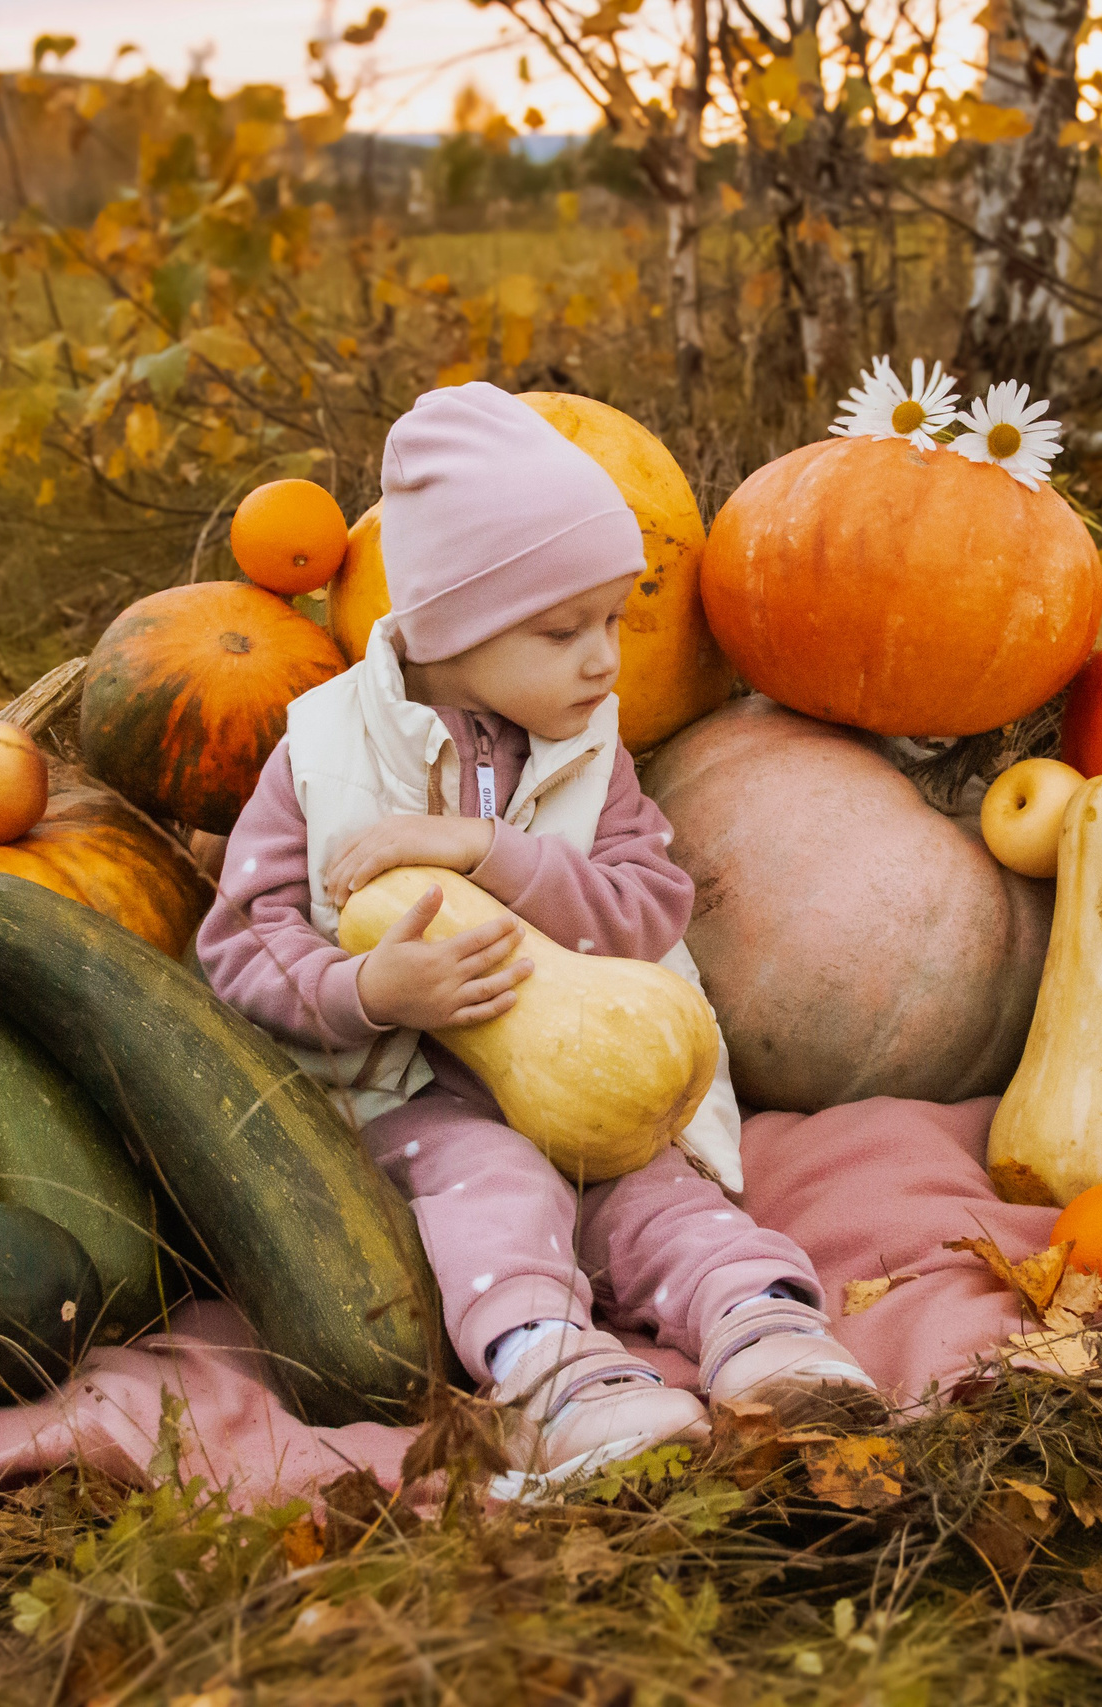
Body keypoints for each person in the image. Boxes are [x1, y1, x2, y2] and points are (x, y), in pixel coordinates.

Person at [197, 383, 877, 1477]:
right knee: (496, 1193)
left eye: (613, 619)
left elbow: (650, 907)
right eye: (564, 631)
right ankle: (554, 1376)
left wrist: (493, 855)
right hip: (411, 1097)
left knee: (661, 1197)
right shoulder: (322, 758)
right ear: (447, 627)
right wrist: (371, 993)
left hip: (602, 1076)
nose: (604, 659)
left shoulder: (591, 758)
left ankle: (762, 1324)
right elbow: (240, 945)